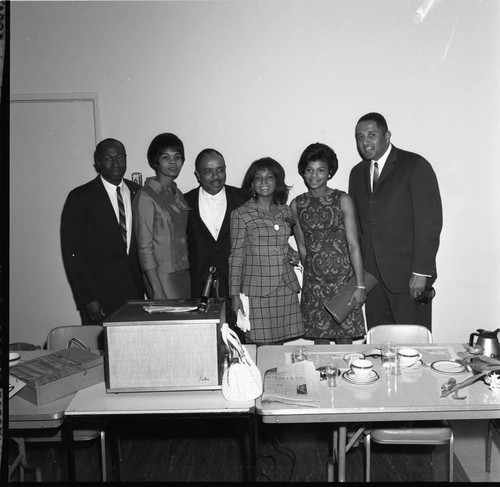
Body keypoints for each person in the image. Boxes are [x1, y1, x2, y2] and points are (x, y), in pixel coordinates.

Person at [348, 112, 443, 330]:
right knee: (381, 346)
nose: (365, 141)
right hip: (372, 279)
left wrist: (420, 272)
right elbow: (359, 226)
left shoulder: (414, 165)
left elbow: (429, 222)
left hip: (408, 278)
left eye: (371, 134)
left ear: (387, 136)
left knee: (412, 345)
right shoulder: (357, 173)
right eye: (360, 137)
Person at [61, 138, 145, 324]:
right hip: (100, 297)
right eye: (108, 158)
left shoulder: (137, 192)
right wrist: (89, 298)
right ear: (97, 163)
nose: (116, 163)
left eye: (120, 157)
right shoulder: (80, 197)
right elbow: (74, 254)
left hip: (134, 294)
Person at [291, 143, 366, 344]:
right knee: (319, 346)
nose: (314, 176)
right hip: (314, 285)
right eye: (309, 170)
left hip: (343, 282)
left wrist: (359, 285)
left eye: (320, 170)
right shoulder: (297, 204)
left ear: (330, 173)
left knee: (345, 344)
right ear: (303, 172)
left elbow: (353, 245)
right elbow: (302, 248)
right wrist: (312, 279)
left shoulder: (342, 199)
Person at [229, 157, 304, 345]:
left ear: (277, 182)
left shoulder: (285, 211)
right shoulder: (240, 214)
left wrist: (290, 251)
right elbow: (236, 257)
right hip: (257, 292)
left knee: (279, 348)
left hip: (284, 287)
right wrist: (234, 295)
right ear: (252, 183)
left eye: (269, 177)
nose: (264, 182)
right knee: (262, 347)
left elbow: (279, 241)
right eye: (258, 178)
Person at [184, 148, 246, 324]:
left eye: (220, 169)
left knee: (237, 342)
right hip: (197, 288)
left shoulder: (242, 199)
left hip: (236, 287)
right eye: (208, 171)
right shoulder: (183, 202)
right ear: (197, 175)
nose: (216, 176)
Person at [132, 133, 191, 299]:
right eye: (166, 157)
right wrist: (156, 289)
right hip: (160, 275)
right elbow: (144, 247)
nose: (173, 162)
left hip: (183, 272)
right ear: (155, 161)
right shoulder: (146, 196)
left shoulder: (177, 193)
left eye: (177, 157)